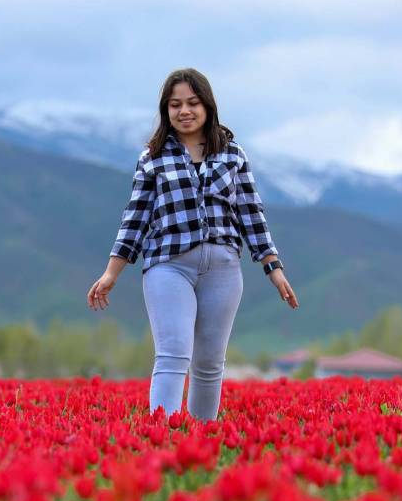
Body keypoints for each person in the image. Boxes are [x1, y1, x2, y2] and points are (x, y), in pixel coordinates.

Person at [87, 67, 298, 421]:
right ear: (165, 111)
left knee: (210, 361)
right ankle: (161, 437)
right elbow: (135, 218)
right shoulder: (153, 158)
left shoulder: (233, 155)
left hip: (223, 268)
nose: (184, 111)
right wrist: (112, 273)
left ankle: (201, 442)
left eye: (192, 103)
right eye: (175, 105)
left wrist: (273, 268)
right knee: (172, 353)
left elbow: (251, 213)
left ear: (207, 106)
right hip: (168, 264)